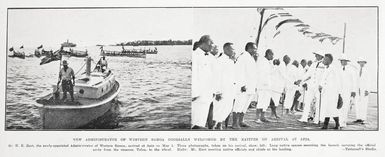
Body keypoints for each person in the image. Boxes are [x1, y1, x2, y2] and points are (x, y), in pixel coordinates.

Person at [191, 35, 215, 129]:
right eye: (210, 43)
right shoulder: (194, 55)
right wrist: (194, 93)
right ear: (203, 43)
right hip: (198, 94)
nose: (212, 46)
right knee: (195, 119)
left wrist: (214, 90)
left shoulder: (211, 57)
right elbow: (193, 75)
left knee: (201, 120)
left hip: (208, 94)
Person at [232, 42, 258, 129]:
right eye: (254, 48)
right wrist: (242, 85)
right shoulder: (243, 57)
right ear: (249, 48)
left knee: (245, 105)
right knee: (239, 104)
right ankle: (234, 123)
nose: (256, 50)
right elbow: (239, 72)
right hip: (243, 87)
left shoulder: (251, 58)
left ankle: (241, 121)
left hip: (250, 86)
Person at [212, 43, 236, 130]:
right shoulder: (220, 60)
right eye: (232, 49)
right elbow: (216, 77)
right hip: (222, 89)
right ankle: (213, 127)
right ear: (226, 50)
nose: (234, 51)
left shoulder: (230, 61)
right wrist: (217, 91)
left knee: (227, 109)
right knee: (218, 109)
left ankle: (219, 125)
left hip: (229, 89)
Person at [297, 52, 325, 123]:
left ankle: (317, 119)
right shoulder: (313, 64)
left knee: (318, 103)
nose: (315, 56)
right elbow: (308, 74)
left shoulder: (324, 64)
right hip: (311, 85)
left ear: (321, 56)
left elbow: (324, 77)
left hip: (318, 87)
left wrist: (322, 85)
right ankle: (304, 118)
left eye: (317, 55)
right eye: (316, 55)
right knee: (307, 102)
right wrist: (301, 80)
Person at [318, 53, 343, 129]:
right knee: (326, 108)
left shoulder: (334, 69)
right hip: (326, 92)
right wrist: (321, 85)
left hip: (333, 93)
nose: (323, 60)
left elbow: (338, 81)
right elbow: (324, 79)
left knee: (332, 109)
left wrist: (338, 93)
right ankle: (325, 124)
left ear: (329, 60)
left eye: (325, 59)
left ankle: (337, 124)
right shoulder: (326, 68)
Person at [337, 54, 357, 128]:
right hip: (339, 90)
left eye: (344, 61)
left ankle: (343, 122)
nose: (343, 62)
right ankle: (338, 122)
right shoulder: (338, 69)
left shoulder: (351, 70)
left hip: (347, 91)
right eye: (342, 61)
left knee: (345, 107)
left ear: (347, 61)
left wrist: (353, 91)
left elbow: (354, 81)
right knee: (339, 106)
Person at [255, 49, 274, 123]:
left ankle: (263, 117)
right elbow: (261, 73)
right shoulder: (262, 61)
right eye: (272, 54)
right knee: (261, 101)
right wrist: (263, 83)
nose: (273, 56)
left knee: (266, 102)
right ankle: (257, 118)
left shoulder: (268, 62)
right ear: (268, 54)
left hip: (268, 86)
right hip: (262, 85)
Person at [353, 57, 370, 124]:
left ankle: (363, 118)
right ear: (359, 63)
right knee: (357, 104)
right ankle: (358, 118)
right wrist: (354, 90)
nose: (361, 63)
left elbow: (368, 81)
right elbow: (355, 81)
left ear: (365, 63)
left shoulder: (367, 71)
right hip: (357, 90)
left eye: (363, 62)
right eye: (360, 62)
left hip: (364, 90)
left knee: (363, 104)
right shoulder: (357, 71)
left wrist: (367, 90)